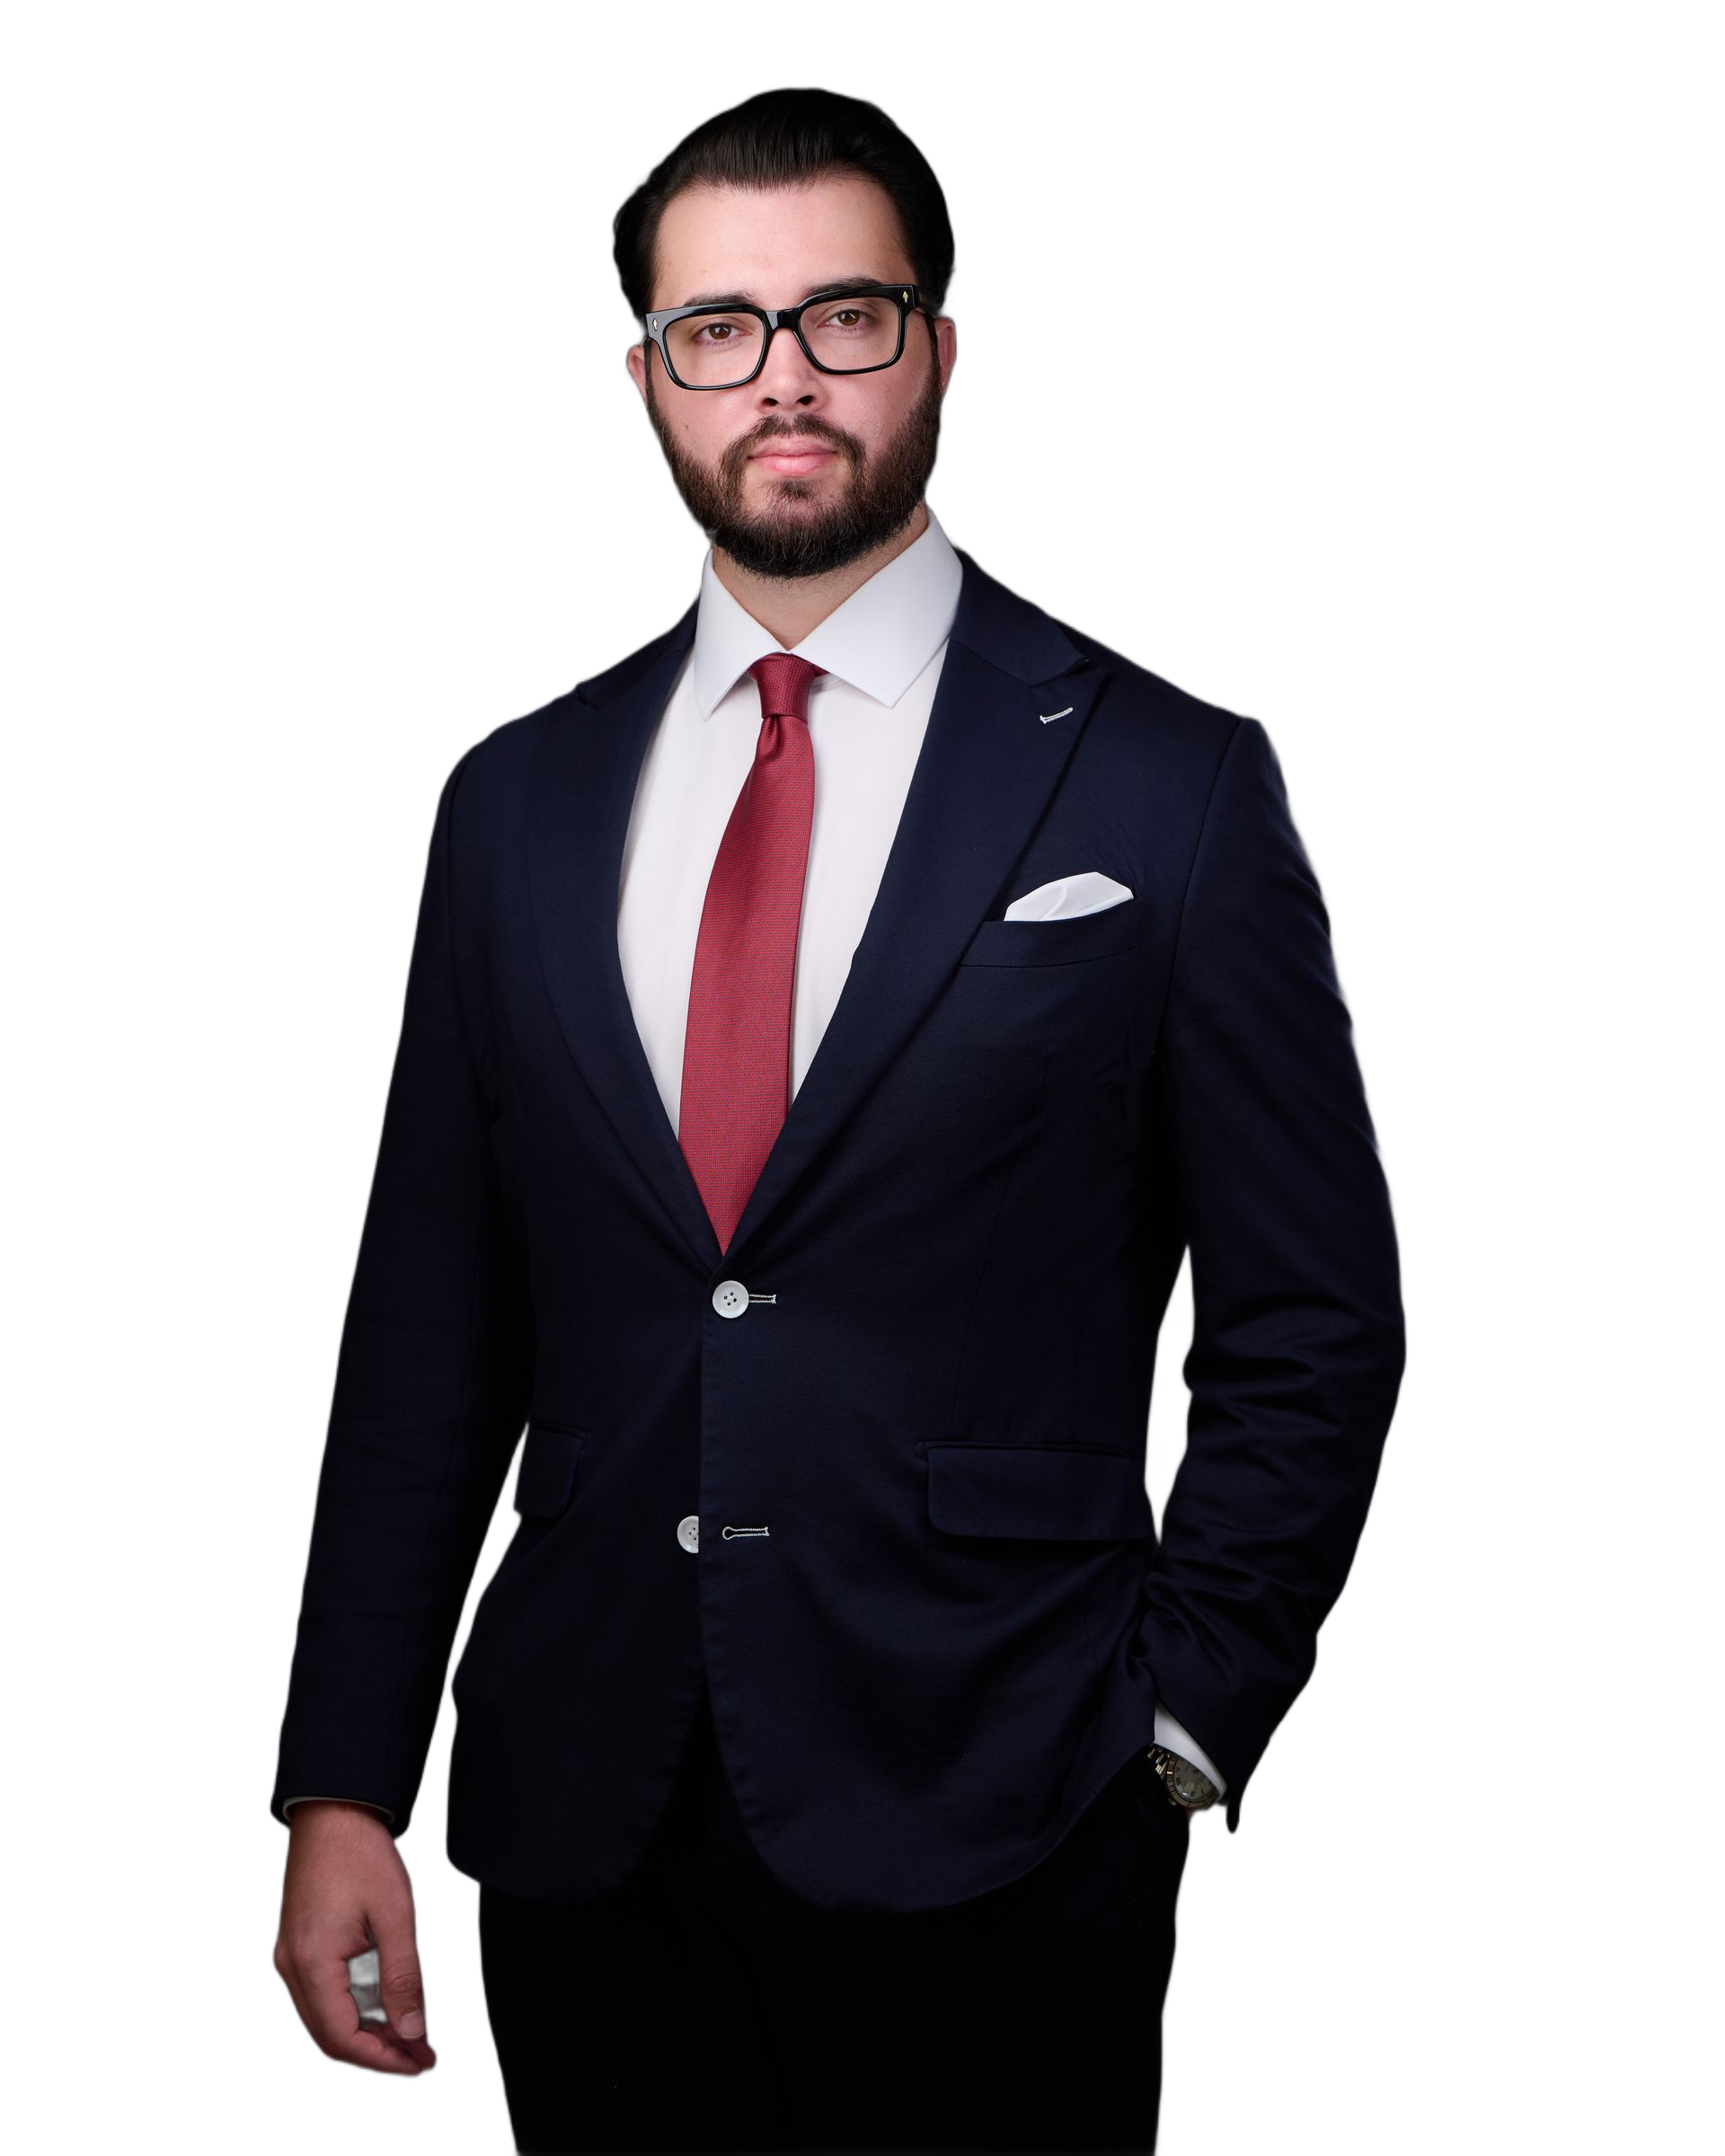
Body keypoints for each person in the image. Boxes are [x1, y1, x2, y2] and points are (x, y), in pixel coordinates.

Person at [269, 84, 1407, 2154]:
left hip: (1015, 1795)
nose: (782, 377)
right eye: (721, 329)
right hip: (583, 1817)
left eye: (843, 316)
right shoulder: (510, 795)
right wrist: (343, 1780)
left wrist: (1180, 1728)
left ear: (940, 349)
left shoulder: (1174, 777)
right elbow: (425, 1332)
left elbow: (1315, 1318)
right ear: (647, 378)